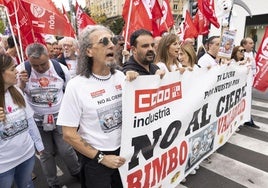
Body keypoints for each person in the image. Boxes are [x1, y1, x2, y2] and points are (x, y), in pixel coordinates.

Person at [57, 25, 126, 188]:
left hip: (124, 154)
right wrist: (102, 158)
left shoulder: (121, 76)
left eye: (113, 40)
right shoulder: (76, 86)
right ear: (88, 52)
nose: (111, 45)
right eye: (104, 41)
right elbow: (68, 134)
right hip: (96, 161)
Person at [16, 43, 80, 188]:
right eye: (35, 65)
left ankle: (76, 171)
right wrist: (21, 83)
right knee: (45, 153)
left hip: (60, 117)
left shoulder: (60, 69)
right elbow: (15, 97)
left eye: (43, 64)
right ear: (28, 60)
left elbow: (69, 92)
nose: (39, 68)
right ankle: (53, 183)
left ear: (48, 57)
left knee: (67, 150)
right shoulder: (21, 70)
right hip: (37, 120)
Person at [0, 53, 44, 188]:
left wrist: (38, 143)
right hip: (3, 163)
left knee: (26, 185)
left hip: (26, 154)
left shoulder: (17, 91)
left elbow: (29, 120)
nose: (17, 71)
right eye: (12, 69)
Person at [240, 37, 260, 129]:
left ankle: (247, 119)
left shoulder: (253, 53)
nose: (253, 45)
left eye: (252, 43)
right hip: (243, 83)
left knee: (248, 102)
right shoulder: (240, 54)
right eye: (250, 43)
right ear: (244, 45)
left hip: (250, 81)